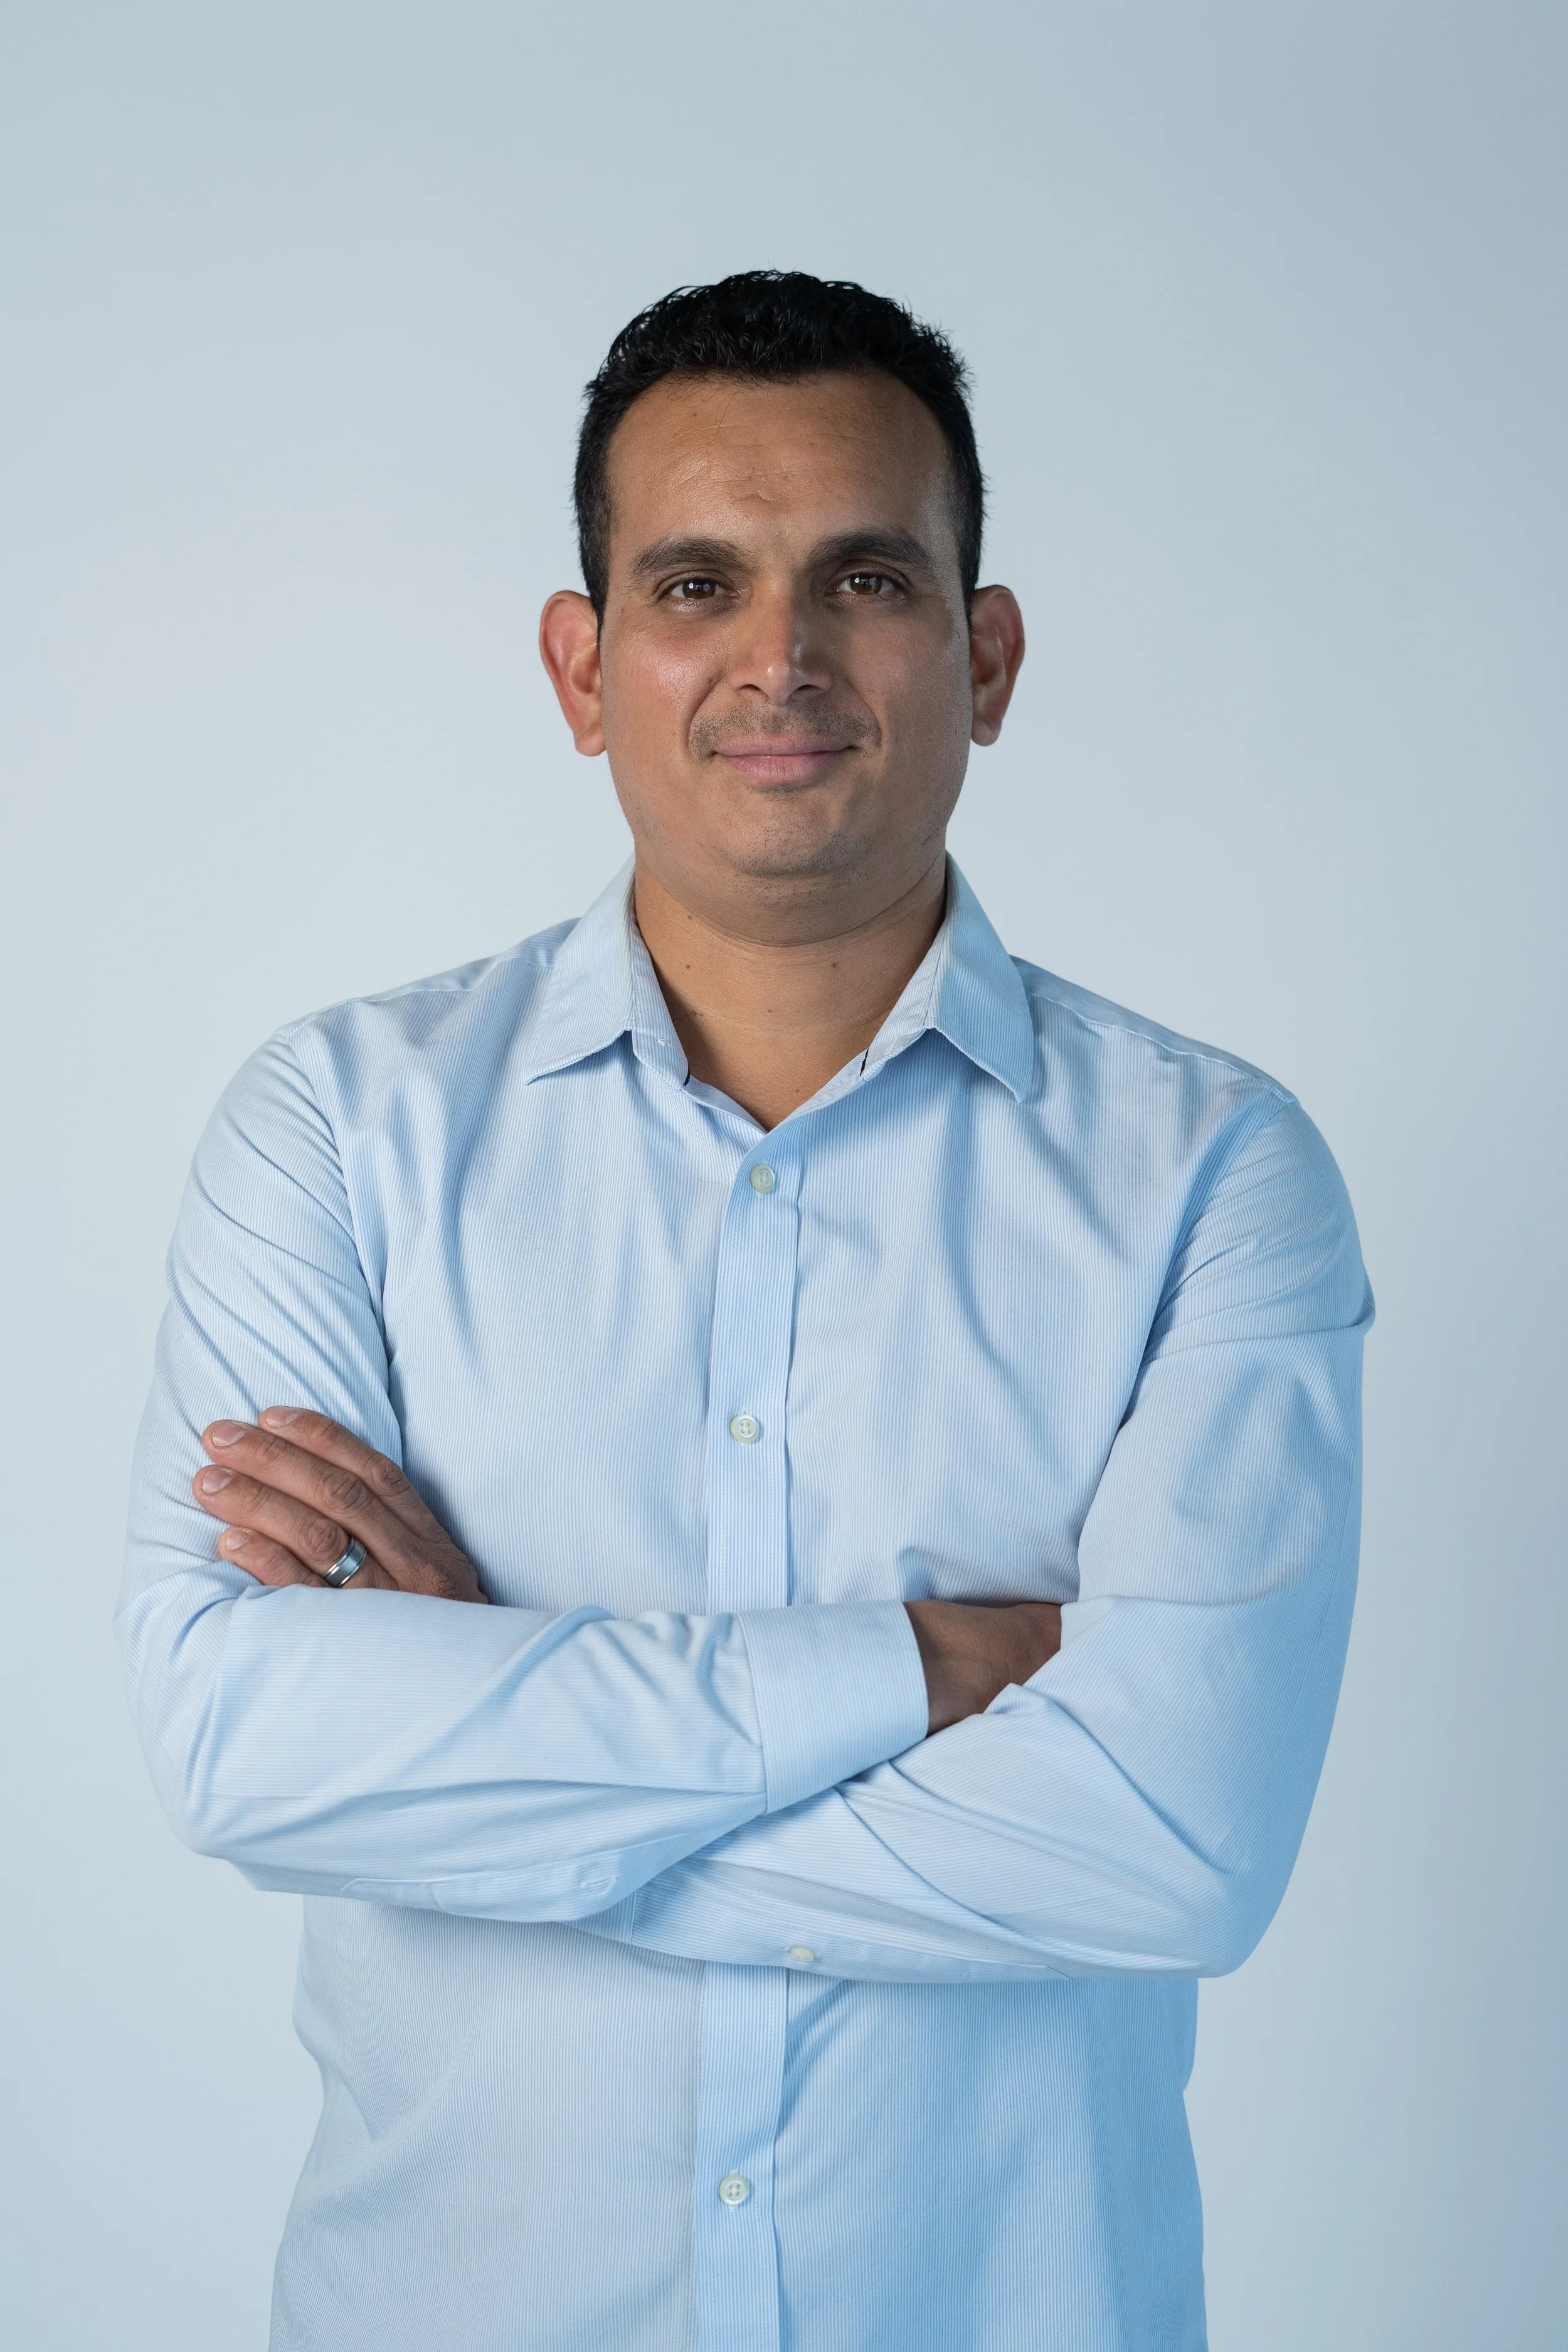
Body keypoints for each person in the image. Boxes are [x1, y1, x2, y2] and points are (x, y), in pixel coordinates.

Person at [119, 270, 1372, 2352]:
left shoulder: (1212, 1172)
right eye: (696, 580)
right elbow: (243, 1741)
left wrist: (501, 1776)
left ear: (982, 654)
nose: (779, 657)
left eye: (864, 577)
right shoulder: (335, 1134)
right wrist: (922, 1667)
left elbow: (1173, 1841)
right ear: (582, 663)